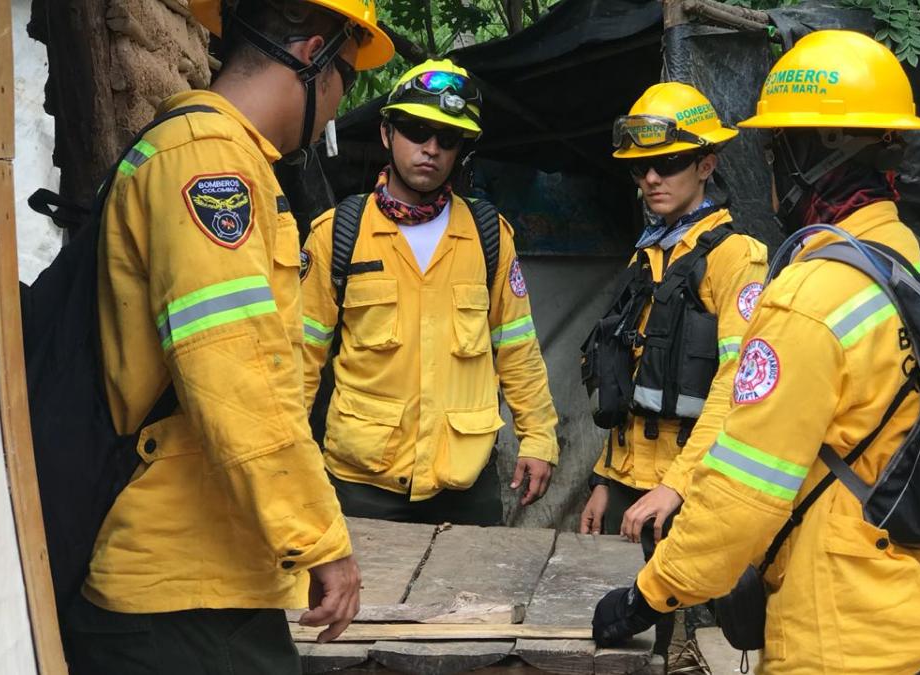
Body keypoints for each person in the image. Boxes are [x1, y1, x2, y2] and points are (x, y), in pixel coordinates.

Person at [591, 30, 920, 673]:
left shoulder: (808, 296)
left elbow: (742, 493)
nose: (769, 168)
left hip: (844, 634)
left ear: (809, 154)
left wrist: (648, 596)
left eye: (775, 147)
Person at [65, 1, 393, 673]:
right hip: (177, 594)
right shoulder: (209, 166)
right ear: (314, 55)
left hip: (204, 581)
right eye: (349, 78)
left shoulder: (210, 153)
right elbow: (235, 379)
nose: (337, 104)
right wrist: (321, 538)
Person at [301, 59, 560, 526]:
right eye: (417, 130)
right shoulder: (338, 233)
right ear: (387, 134)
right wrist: (286, 458)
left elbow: (517, 347)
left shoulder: (488, 236)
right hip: (361, 483)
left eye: (447, 138)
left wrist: (539, 438)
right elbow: (300, 357)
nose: (431, 148)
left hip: (464, 484)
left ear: (461, 150)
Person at [579, 83, 768, 542]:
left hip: (693, 490)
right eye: (640, 168)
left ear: (706, 164)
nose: (651, 179)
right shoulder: (648, 254)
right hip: (631, 486)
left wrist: (675, 486)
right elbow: (634, 375)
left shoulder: (735, 257)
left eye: (668, 163)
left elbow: (736, 384)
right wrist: (606, 478)